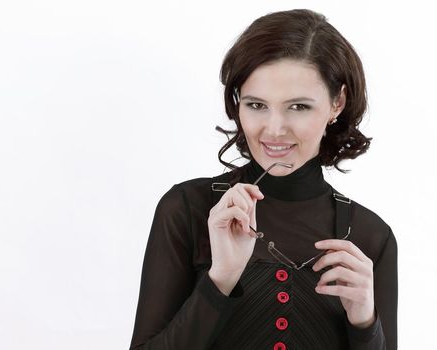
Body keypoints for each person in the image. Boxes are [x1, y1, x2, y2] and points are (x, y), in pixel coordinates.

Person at [129, 8, 397, 350]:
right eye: (257, 105)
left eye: (298, 107)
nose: (273, 129)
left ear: (337, 103)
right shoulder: (188, 210)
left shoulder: (372, 237)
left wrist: (364, 324)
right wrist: (221, 277)